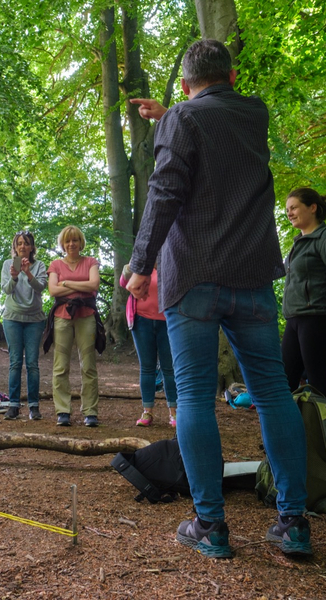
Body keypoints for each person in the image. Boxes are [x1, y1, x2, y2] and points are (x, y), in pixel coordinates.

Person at [126, 39, 312, 558]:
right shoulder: (254, 114)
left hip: (194, 277)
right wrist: (174, 118)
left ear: (185, 85)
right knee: (274, 394)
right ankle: (294, 523)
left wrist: (141, 267)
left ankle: (211, 524)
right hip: (252, 276)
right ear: (231, 76)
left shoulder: (182, 119)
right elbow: (218, 136)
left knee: (193, 396)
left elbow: (166, 191)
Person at [282, 187, 326, 399]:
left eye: (294, 207)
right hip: (295, 319)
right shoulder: (298, 244)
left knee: (318, 382)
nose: (289, 213)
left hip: (318, 318)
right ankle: (294, 432)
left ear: (312, 208)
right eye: (287, 209)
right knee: (285, 380)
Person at [44, 225, 101, 427]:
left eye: (75, 240)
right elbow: (52, 290)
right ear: (62, 244)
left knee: (88, 365)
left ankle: (90, 412)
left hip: (86, 315)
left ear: (80, 242)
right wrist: (79, 285)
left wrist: (66, 284)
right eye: (67, 241)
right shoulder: (55, 265)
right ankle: (63, 411)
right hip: (62, 317)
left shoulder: (91, 262)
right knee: (60, 366)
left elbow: (94, 285)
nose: (71, 244)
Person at [120, 265, 177, 427]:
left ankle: (174, 412)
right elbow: (124, 282)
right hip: (141, 321)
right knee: (147, 368)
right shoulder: (140, 265)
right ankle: (147, 412)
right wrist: (130, 266)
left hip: (167, 322)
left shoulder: (169, 263)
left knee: (169, 368)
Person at [0, 231, 47, 421]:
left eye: (26, 243)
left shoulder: (39, 266)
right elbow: (6, 289)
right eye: (19, 243)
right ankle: (13, 405)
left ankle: (34, 406)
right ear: (15, 246)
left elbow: (41, 287)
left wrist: (27, 273)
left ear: (32, 247)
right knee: (15, 362)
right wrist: (14, 276)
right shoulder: (7, 265)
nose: (22, 247)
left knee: (32, 363)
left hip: (34, 319)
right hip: (12, 317)